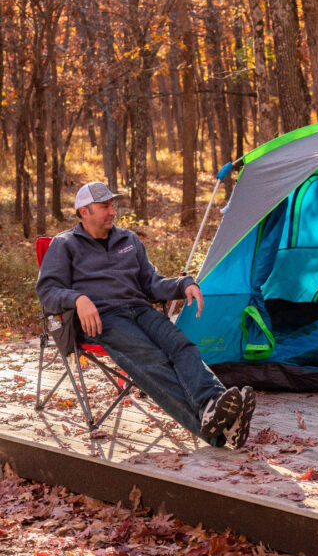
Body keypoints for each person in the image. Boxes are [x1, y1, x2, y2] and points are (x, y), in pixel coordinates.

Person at [36, 181, 256, 449]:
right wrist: (78, 299)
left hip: (139, 310)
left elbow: (151, 283)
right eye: (104, 206)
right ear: (84, 211)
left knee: (181, 345)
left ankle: (213, 405)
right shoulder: (65, 245)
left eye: (112, 205)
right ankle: (217, 433)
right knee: (153, 361)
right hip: (103, 318)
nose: (112, 211)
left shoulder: (128, 240)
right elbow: (48, 290)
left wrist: (183, 284)